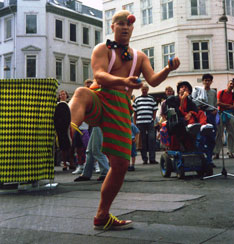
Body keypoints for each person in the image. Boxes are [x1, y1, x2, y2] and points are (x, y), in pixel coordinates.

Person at [54, 10, 180, 230]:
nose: (124, 27)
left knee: (120, 165)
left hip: (121, 107)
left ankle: (102, 216)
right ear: (112, 27)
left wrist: (168, 68)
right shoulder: (102, 49)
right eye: (119, 23)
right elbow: (99, 75)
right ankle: (68, 131)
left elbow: (152, 79)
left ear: (132, 29)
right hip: (100, 96)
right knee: (82, 92)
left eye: (128, 25)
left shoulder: (140, 57)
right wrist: (123, 80)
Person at [192, 73, 217, 167]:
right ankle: (201, 159)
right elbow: (194, 103)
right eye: (205, 80)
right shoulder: (198, 90)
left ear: (211, 82)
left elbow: (215, 104)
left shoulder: (213, 92)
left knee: (211, 139)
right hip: (201, 115)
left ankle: (209, 159)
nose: (207, 82)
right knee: (201, 138)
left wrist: (215, 111)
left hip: (210, 115)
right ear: (203, 81)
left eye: (209, 80)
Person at [133, 83, 159, 164]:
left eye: (145, 89)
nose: (144, 90)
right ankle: (144, 159)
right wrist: (135, 123)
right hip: (140, 123)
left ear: (148, 90)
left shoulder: (152, 99)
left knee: (151, 140)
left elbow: (155, 109)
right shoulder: (137, 99)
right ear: (141, 90)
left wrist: (153, 119)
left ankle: (152, 159)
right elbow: (135, 112)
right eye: (143, 89)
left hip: (150, 122)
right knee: (142, 141)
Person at [213, 80, 234, 159]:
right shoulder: (221, 92)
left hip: (230, 115)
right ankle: (217, 152)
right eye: (230, 84)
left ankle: (231, 151)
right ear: (227, 85)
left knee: (231, 133)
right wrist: (228, 105)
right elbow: (218, 103)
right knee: (219, 133)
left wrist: (225, 105)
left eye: (233, 84)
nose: (231, 85)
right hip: (221, 114)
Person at [57, 90, 75, 171]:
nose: (62, 96)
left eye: (63, 94)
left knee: (71, 146)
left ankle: (71, 162)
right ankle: (64, 163)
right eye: (61, 95)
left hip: (70, 126)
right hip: (62, 128)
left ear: (66, 95)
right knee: (63, 146)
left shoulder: (70, 104)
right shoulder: (58, 105)